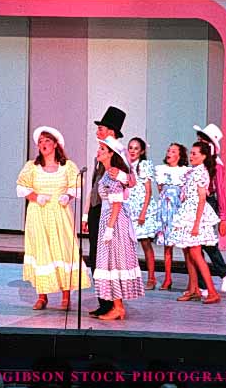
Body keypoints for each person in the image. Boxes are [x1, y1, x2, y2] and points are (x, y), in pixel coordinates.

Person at [16, 126, 90, 310]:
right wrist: (36, 197)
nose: (43, 144)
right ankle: (42, 296)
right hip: (38, 214)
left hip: (60, 213)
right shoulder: (32, 166)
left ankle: (66, 297)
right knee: (42, 251)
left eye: (47, 141)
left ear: (56, 144)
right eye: (40, 141)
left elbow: (76, 187)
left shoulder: (67, 166)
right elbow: (22, 188)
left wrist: (68, 196)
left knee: (63, 250)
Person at [82, 106, 136, 317]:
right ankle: (104, 301)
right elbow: (94, 186)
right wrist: (87, 214)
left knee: (107, 258)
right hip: (99, 209)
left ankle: (112, 304)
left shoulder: (118, 154)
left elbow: (131, 181)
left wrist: (121, 177)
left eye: (101, 128)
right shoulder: (101, 154)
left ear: (111, 131)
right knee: (96, 258)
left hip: (111, 212)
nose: (98, 132)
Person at [93, 136, 144, 320]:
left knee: (114, 261)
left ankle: (118, 307)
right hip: (110, 219)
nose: (98, 151)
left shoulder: (112, 173)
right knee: (111, 262)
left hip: (114, 220)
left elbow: (117, 203)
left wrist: (109, 227)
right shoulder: (107, 172)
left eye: (102, 149)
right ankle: (117, 306)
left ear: (111, 154)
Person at [170, 141, 221, 304]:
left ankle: (212, 291)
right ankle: (194, 289)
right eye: (191, 153)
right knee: (188, 253)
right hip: (188, 212)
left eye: (195, 154)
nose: (191, 156)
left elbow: (201, 200)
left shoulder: (201, 172)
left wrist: (196, 224)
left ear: (204, 156)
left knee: (195, 254)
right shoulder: (194, 171)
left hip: (195, 215)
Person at [193, 123, 226, 294]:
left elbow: (221, 190)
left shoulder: (216, 164)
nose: (199, 140)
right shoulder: (198, 159)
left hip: (209, 202)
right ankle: (202, 284)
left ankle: (225, 273)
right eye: (200, 138)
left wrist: (223, 217)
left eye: (203, 138)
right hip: (195, 202)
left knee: (208, 242)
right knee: (195, 244)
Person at [155, 143, 189, 290]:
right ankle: (168, 278)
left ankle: (192, 282)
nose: (169, 153)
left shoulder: (185, 171)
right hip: (166, 210)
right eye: (168, 150)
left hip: (179, 210)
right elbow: (160, 189)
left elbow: (186, 192)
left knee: (185, 247)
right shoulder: (161, 170)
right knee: (167, 247)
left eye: (173, 151)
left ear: (179, 155)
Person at [127, 137, 158, 290]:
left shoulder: (144, 165)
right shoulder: (126, 165)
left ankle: (152, 278)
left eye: (136, 148)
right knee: (130, 245)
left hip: (142, 210)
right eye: (130, 148)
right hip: (129, 208)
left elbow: (148, 191)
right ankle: (133, 278)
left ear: (142, 151)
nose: (132, 151)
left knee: (146, 244)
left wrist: (143, 213)